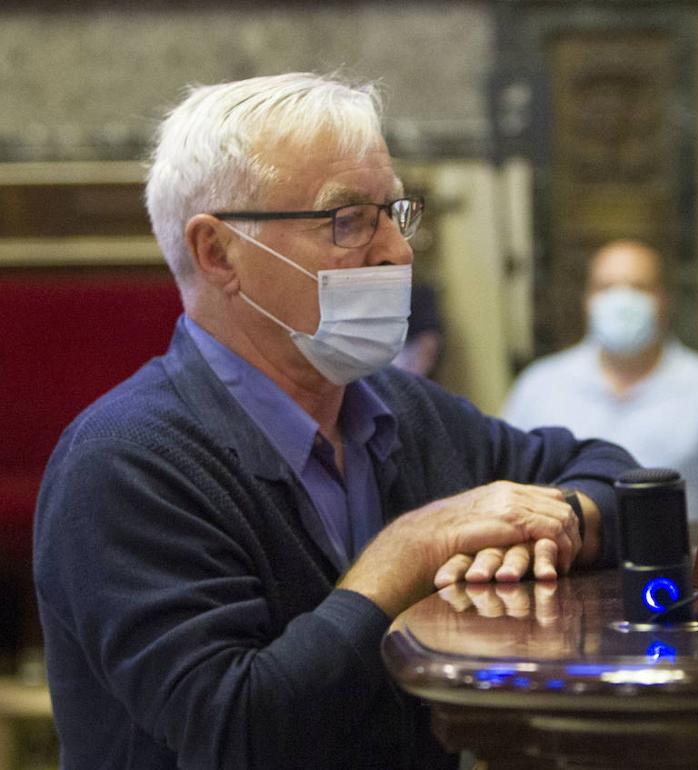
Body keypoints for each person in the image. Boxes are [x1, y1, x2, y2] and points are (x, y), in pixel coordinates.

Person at [32, 73, 637, 770]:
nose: (397, 252)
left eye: (393, 212)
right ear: (218, 253)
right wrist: (407, 553)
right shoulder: (124, 461)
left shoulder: (396, 408)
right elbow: (239, 729)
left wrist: (560, 520)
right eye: (346, 219)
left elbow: (613, 472)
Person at [502, 239, 698, 538]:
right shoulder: (538, 386)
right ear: (587, 300)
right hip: (564, 569)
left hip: (679, 566)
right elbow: (506, 492)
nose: (622, 301)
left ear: (664, 299)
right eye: (606, 287)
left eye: (639, 287)